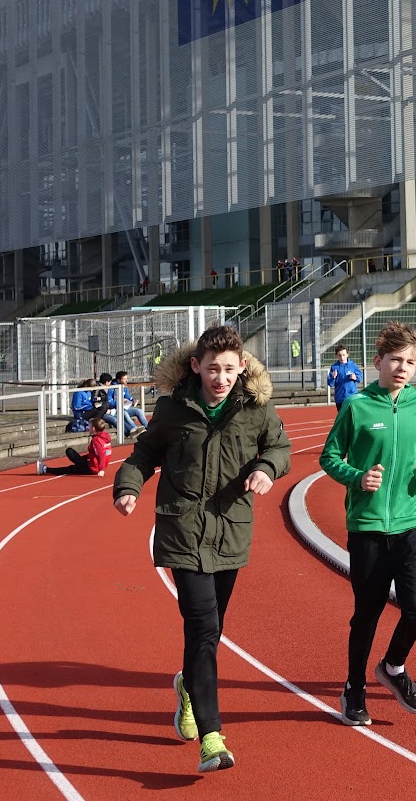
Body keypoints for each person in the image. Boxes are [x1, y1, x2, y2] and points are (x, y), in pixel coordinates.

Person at [113, 323, 291, 774]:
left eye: (230, 369)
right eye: (213, 368)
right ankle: (212, 737)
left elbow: (280, 447)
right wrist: (128, 486)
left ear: (242, 367)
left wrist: (267, 469)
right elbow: (144, 452)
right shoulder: (173, 408)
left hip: (230, 532)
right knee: (203, 627)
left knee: (210, 632)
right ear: (196, 366)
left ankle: (188, 688)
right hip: (181, 532)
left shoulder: (256, 410)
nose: (221, 378)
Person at [319, 321, 416, 725]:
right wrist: (357, 477)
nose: (403, 368)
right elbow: (329, 457)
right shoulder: (357, 407)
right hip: (368, 528)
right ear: (378, 362)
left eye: (411, 362)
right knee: (367, 615)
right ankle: (353, 689)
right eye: (396, 360)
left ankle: (393, 667)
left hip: (410, 523)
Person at [39, 416, 113, 476]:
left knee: (69, 452)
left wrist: (101, 470)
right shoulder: (105, 437)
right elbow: (103, 452)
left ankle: (46, 469)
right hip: (93, 464)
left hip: (92, 467)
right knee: (72, 468)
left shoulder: (96, 440)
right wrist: (87, 457)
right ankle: (46, 469)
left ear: (93, 429)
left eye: (89, 426)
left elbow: (101, 454)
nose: (88, 428)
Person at [326, 346, 363, 411]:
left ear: (347, 355)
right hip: (340, 398)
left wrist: (355, 377)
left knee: (352, 417)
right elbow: (330, 383)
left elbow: (359, 378)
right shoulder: (334, 367)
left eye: (343, 355)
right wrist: (333, 377)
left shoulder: (353, 365)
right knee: (343, 418)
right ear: (336, 356)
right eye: (339, 355)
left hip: (352, 397)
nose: (342, 357)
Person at [113, 370, 147, 435]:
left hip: (125, 407)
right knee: (124, 413)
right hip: (116, 409)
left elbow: (128, 396)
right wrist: (120, 401)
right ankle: (135, 429)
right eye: (124, 379)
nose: (126, 381)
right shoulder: (112, 388)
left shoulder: (124, 386)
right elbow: (110, 401)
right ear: (119, 380)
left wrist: (133, 400)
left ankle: (148, 428)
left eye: (126, 379)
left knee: (139, 411)